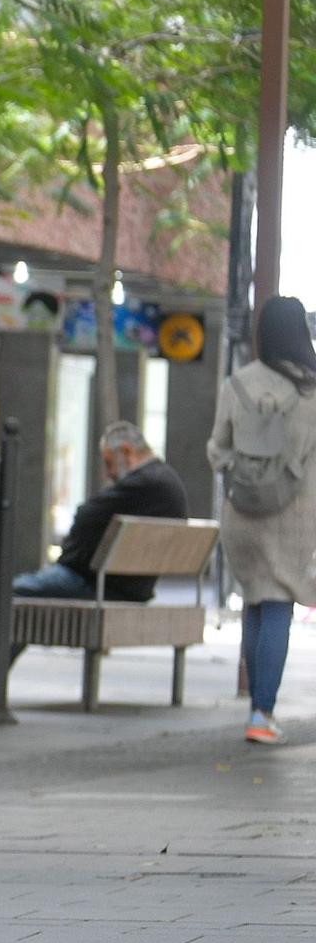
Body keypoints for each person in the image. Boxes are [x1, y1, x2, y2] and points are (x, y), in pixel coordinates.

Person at [0, 421, 187, 696]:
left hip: (100, 584)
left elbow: (87, 513)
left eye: (109, 462)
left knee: (10, 594)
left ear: (126, 451)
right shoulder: (165, 481)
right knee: (24, 592)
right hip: (126, 584)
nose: (109, 473)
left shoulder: (145, 483)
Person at [209, 297, 316, 747]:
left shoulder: (237, 383)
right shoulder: (311, 389)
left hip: (242, 511)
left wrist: (242, 470)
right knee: (278, 604)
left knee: (256, 599)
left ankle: (259, 706)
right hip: (293, 512)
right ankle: (262, 711)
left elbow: (217, 450)